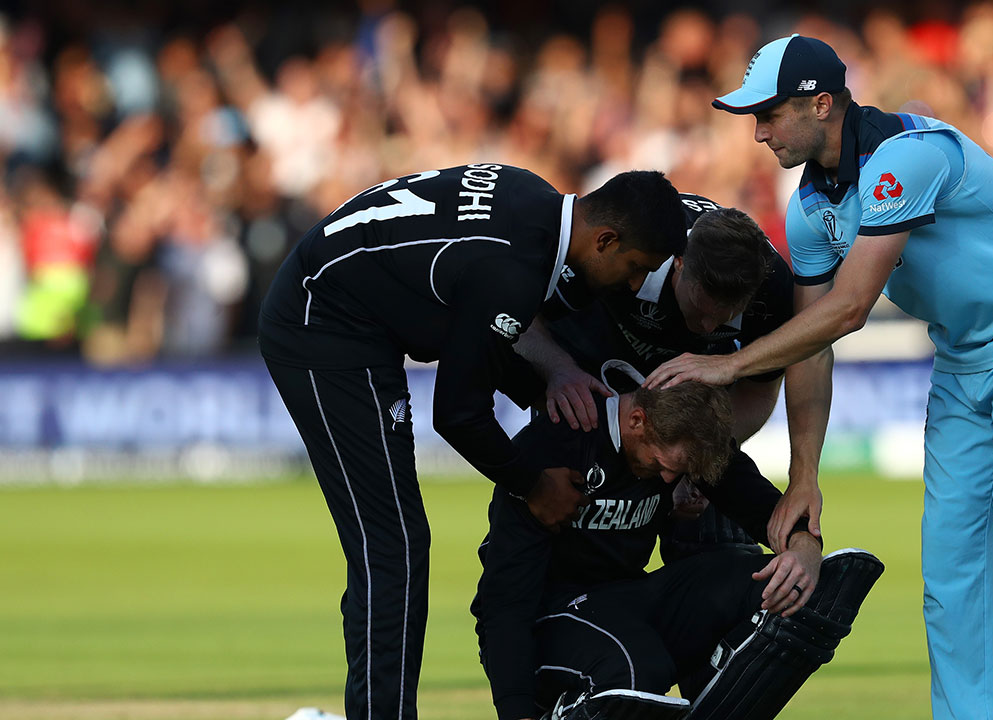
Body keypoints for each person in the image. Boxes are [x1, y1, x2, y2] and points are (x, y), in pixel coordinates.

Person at [647, 35, 993, 720]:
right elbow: (812, 348)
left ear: (821, 104)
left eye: (769, 114)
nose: (759, 132)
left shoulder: (905, 159)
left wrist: (729, 363)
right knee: (950, 569)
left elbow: (850, 308)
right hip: (963, 356)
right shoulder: (808, 210)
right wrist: (805, 478)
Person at [258, 164, 688, 720]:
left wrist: (553, 375)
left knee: (395, 545)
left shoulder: (531, 196)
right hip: (322, 327)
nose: (632, 286)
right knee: (392, 546)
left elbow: (485, 316)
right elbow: (458, 414)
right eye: (634, 269)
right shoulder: (511, 268)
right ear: (604, 240)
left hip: (343, 303)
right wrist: (532, 485)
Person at [471, 363, 883, 720]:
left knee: (777, 584)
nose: (671, 480)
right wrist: (516, 711)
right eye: (665, 466)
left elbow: (758, 502)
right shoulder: (555, 445)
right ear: (637, 422)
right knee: (635, 672)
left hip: (622, 600)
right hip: (544, 615)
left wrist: (804, 546)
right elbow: (505, 598)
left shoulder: (686, 440)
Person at [513, 198, 828, 558]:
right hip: (586, 373)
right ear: (676, 262)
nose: (708, 327)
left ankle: (786, 560)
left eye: (727, 316)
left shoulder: (774, 294)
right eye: (700, 308)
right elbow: (516, 311)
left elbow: (758, 393)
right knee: (577, 538)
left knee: (707, 536)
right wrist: (558, 369)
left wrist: (686, 462)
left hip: (689, 405)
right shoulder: (627, 245)